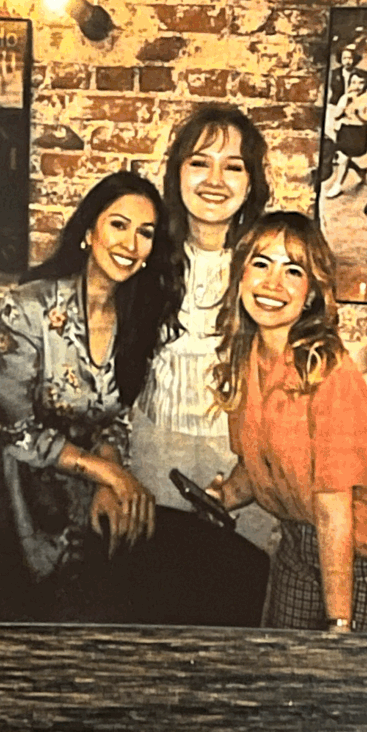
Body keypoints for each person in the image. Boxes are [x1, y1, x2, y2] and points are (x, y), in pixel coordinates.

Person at [0, 171, 178, 622]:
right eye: (119, 225)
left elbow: (115, 415)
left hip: (79, 492)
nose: (131, 244)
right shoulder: (28, 306)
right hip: (12, 491)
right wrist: (112, 476)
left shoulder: (138, 317)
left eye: (145, 233)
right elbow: (16, 429)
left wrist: (106, 475)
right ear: (89, 231)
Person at [206, 212, 367, 633]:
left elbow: (333, 510)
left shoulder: (328, 372)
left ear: (310, 294)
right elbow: (259, 464)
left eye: (293, 270)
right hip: (297, 542)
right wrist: (224, 495)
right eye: (261, 264)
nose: (272, 284)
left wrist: (340, 621)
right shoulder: (246, 358)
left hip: (358, 557)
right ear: (241, 276)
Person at [128, 104, 274, 552]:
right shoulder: (142, 255)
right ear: (177, 175)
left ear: (251, 184)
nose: (214, 180)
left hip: (240, 464)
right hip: (151, 453)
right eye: (200, 163)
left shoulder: (269, 265)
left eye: (233, 167)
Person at [326, 67, 367, 200]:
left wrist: (359, 114)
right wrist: (344, 103)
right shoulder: (345, 97)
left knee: (344, 158)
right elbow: (336, 115)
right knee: (343, 158)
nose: (357, 86)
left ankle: (339, 184)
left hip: (358, 133)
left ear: (366, 84)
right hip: (344, 131)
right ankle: (355, 174)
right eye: (353, 82)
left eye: (361, 83)